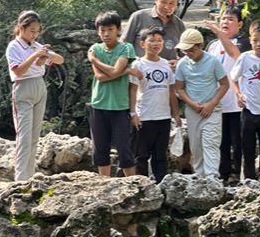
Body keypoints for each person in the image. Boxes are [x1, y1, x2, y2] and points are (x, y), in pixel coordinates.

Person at [6, 10, 65, 181]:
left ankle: (30, 175)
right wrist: (35, 56)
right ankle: (20, 178)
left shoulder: (37, 46)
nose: (34, 34)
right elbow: (18, 71)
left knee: (34, 136)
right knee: (24, 136)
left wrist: (46, 55)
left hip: (39, 86)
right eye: (32, 30)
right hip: (23, 87)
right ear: (21, 28)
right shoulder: (14, 46)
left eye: (37, 31)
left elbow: (60, 60)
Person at [88, 11, 143, 177]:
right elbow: (100, 77)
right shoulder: (95, 48)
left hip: (120, 106)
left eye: (110, 29)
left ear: (118, 29)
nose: (106, 34)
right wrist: (127, 71)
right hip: (99, 105)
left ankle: (133, 184)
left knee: (124, 148)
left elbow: (114, 71)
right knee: (100, 148)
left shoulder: (126, 48)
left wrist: (94, 60)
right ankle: (104, 183)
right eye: (102, 30)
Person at [129, 26, 182, 183]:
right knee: (141, 155)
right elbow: (132, 90)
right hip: (144, 116)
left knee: (160, 155)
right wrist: (133, 113)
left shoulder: (166, 65)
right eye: (152, 40)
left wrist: (176, 114)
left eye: (159, 40)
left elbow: (171, 91)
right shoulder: (138, 65)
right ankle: (142, 186)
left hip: (163, 117)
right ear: (142, 44)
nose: (156, 44)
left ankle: (161, 185)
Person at [204, 5, 250, 183]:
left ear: (240, 24)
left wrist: (218, 32)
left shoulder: (243, 42)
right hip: (216, 102)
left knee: (238, 141)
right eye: (223, 18)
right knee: (220, 141)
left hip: (236, 102)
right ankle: (222, 174)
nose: (225, 22)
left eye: (231, 19)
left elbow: (235, 54)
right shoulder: (212, 45)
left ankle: (237, 174)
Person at [174, 28, 229, 178]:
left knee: (211, 143)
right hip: (193, 111)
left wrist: (211, 104)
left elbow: (225, 84)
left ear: (200, 46)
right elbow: (179, 88)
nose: (188, 53)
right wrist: (192, 104)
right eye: (185, 50)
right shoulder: (182, 64)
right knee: (196, 146)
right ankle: (199, 175)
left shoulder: (213, 61)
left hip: (212, 110)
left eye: (191, 49)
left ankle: (212, 176)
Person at [231, 19, 260, 179]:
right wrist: (238, 94)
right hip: (248, 109)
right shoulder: (244, 58)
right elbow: (233, 78)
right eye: (255, 40)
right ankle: (249, 179)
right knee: (247, 146)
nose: (258, 44)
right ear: (250, 39)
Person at [122, 0, 186, 66]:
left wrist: (179, 62)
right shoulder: (138, 17)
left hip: (167, 72)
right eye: (163, 2)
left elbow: (185, 54)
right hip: (140, 71)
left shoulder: (179, 25)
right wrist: (133, 59)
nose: (167, 7)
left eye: (172, 3)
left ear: (177, 3)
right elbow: (123, 45)